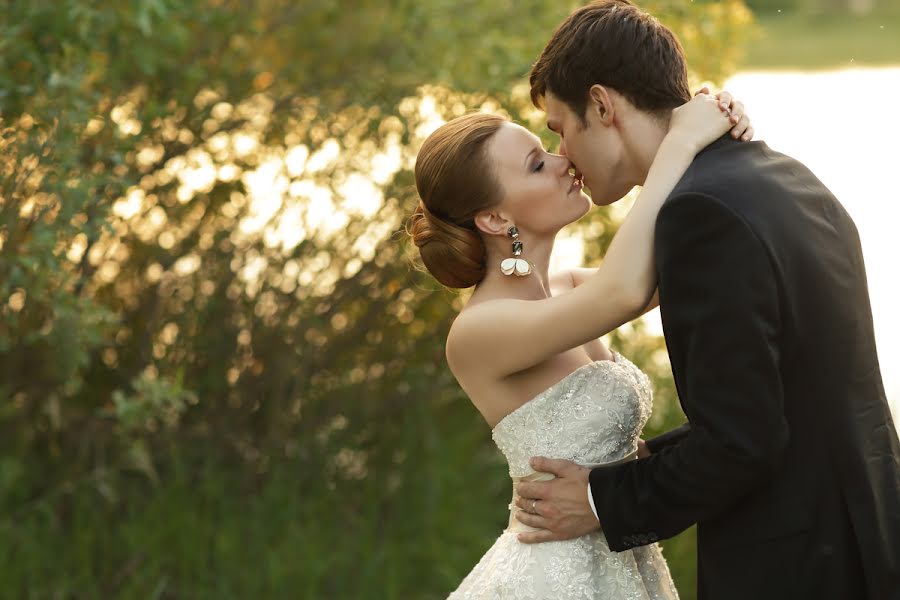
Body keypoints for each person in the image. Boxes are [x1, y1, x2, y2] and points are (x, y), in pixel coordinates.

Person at [511, 2, 900, 599]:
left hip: (796, 569)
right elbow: (791, 401)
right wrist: (639, 462)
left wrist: (599, 499)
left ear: (602, 105)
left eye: (560, 128)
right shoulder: (788, 177)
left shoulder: (699, 215)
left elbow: (743, 442)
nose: (566, 156)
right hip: (867, 540)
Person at [410, 83, 751, 595]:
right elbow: (624, 292)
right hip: (550, 576)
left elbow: (677, 263)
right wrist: (679, 142)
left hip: (622, 560)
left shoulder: (569, 287)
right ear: (496, 219)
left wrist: (715, 129)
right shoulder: (478, 330)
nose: (563, 159)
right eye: (535, 164)